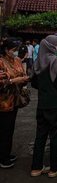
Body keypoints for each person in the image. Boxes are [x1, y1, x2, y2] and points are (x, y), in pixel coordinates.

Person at [30, 35, 57, 178]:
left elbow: (33, 83)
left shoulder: (37, 62)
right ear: (52, 46)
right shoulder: (55, 62)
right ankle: (54, 168)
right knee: (55, 135)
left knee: (40, 135)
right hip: (56, 103)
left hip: (42, 103)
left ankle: (36, 168)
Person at [0, 38, 29, 169]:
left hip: (15, 100)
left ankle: (6, 153)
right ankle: (2, 157)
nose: (16, 52)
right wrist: (13, 81)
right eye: (13, 50)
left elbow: (22, 73)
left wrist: (23, 79)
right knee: (4, 129)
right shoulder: (1, 61)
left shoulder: (17, 60)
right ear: (6, 50)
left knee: (10, 128)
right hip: (3, 102)